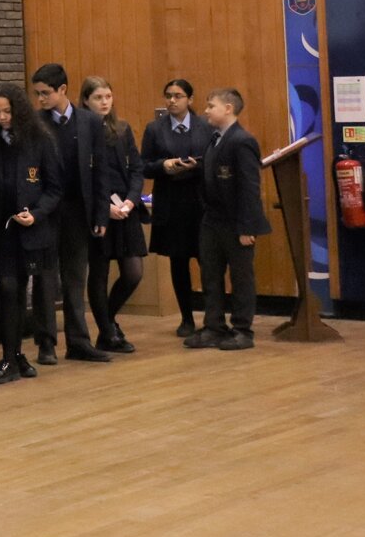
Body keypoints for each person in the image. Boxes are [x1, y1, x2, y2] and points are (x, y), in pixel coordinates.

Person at [0, 84, 59, 384]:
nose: (2, 117)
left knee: (20, 289)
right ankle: (9, 357)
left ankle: (16, 354)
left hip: (31, 227)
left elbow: (54, 188)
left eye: (7, 111)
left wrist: (37, 213)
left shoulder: (39, 139)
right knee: (7, 287)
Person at [30, 64, 115, 363]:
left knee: (76, 278)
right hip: (46, 211)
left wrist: (101, 215)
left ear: (63, 90)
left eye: (45, 93)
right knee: (44, 277)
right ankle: (46, 343)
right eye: (37, 93)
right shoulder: (35, 123)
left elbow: (101, 170)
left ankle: (78, 341)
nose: (40, 99)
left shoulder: (90, 122)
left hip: (79, 210)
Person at [187, 88, 270, 351]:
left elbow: (249, 187)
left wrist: (247, 227)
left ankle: (243, 330)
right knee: (210, 275)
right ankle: (214, 326)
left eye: (211, 106)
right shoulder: (214, 139)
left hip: (236, 223)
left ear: (228, 109)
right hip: (212, 221)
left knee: (241, 277)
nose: (206, 110)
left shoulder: (242, 140)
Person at [141, 78, 212, 336]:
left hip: (199, 201)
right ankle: (186, 318)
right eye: (168, 95)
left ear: (190, 100)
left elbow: (215, 159)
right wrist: (164, 166)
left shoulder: (205, 126)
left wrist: (198, 165)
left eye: (178, 96)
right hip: (171, 203)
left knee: (208, 261)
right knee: (178, 262)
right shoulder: (155, 129)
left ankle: (212, 317)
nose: (172, 100)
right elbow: (144, 166)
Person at [82, 76, 146, 352]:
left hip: (126, 209)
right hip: (99, 210)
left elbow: (137, 168)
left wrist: (131, 201)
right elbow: (81, 176)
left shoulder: (121, 128)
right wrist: (103, 207)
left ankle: (107, 323)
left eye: (108, 96)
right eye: (98, 97)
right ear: (85, 100)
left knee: (133, 273)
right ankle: (108, 331)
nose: (104, 102)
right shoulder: (80, 132)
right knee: (99, 273)